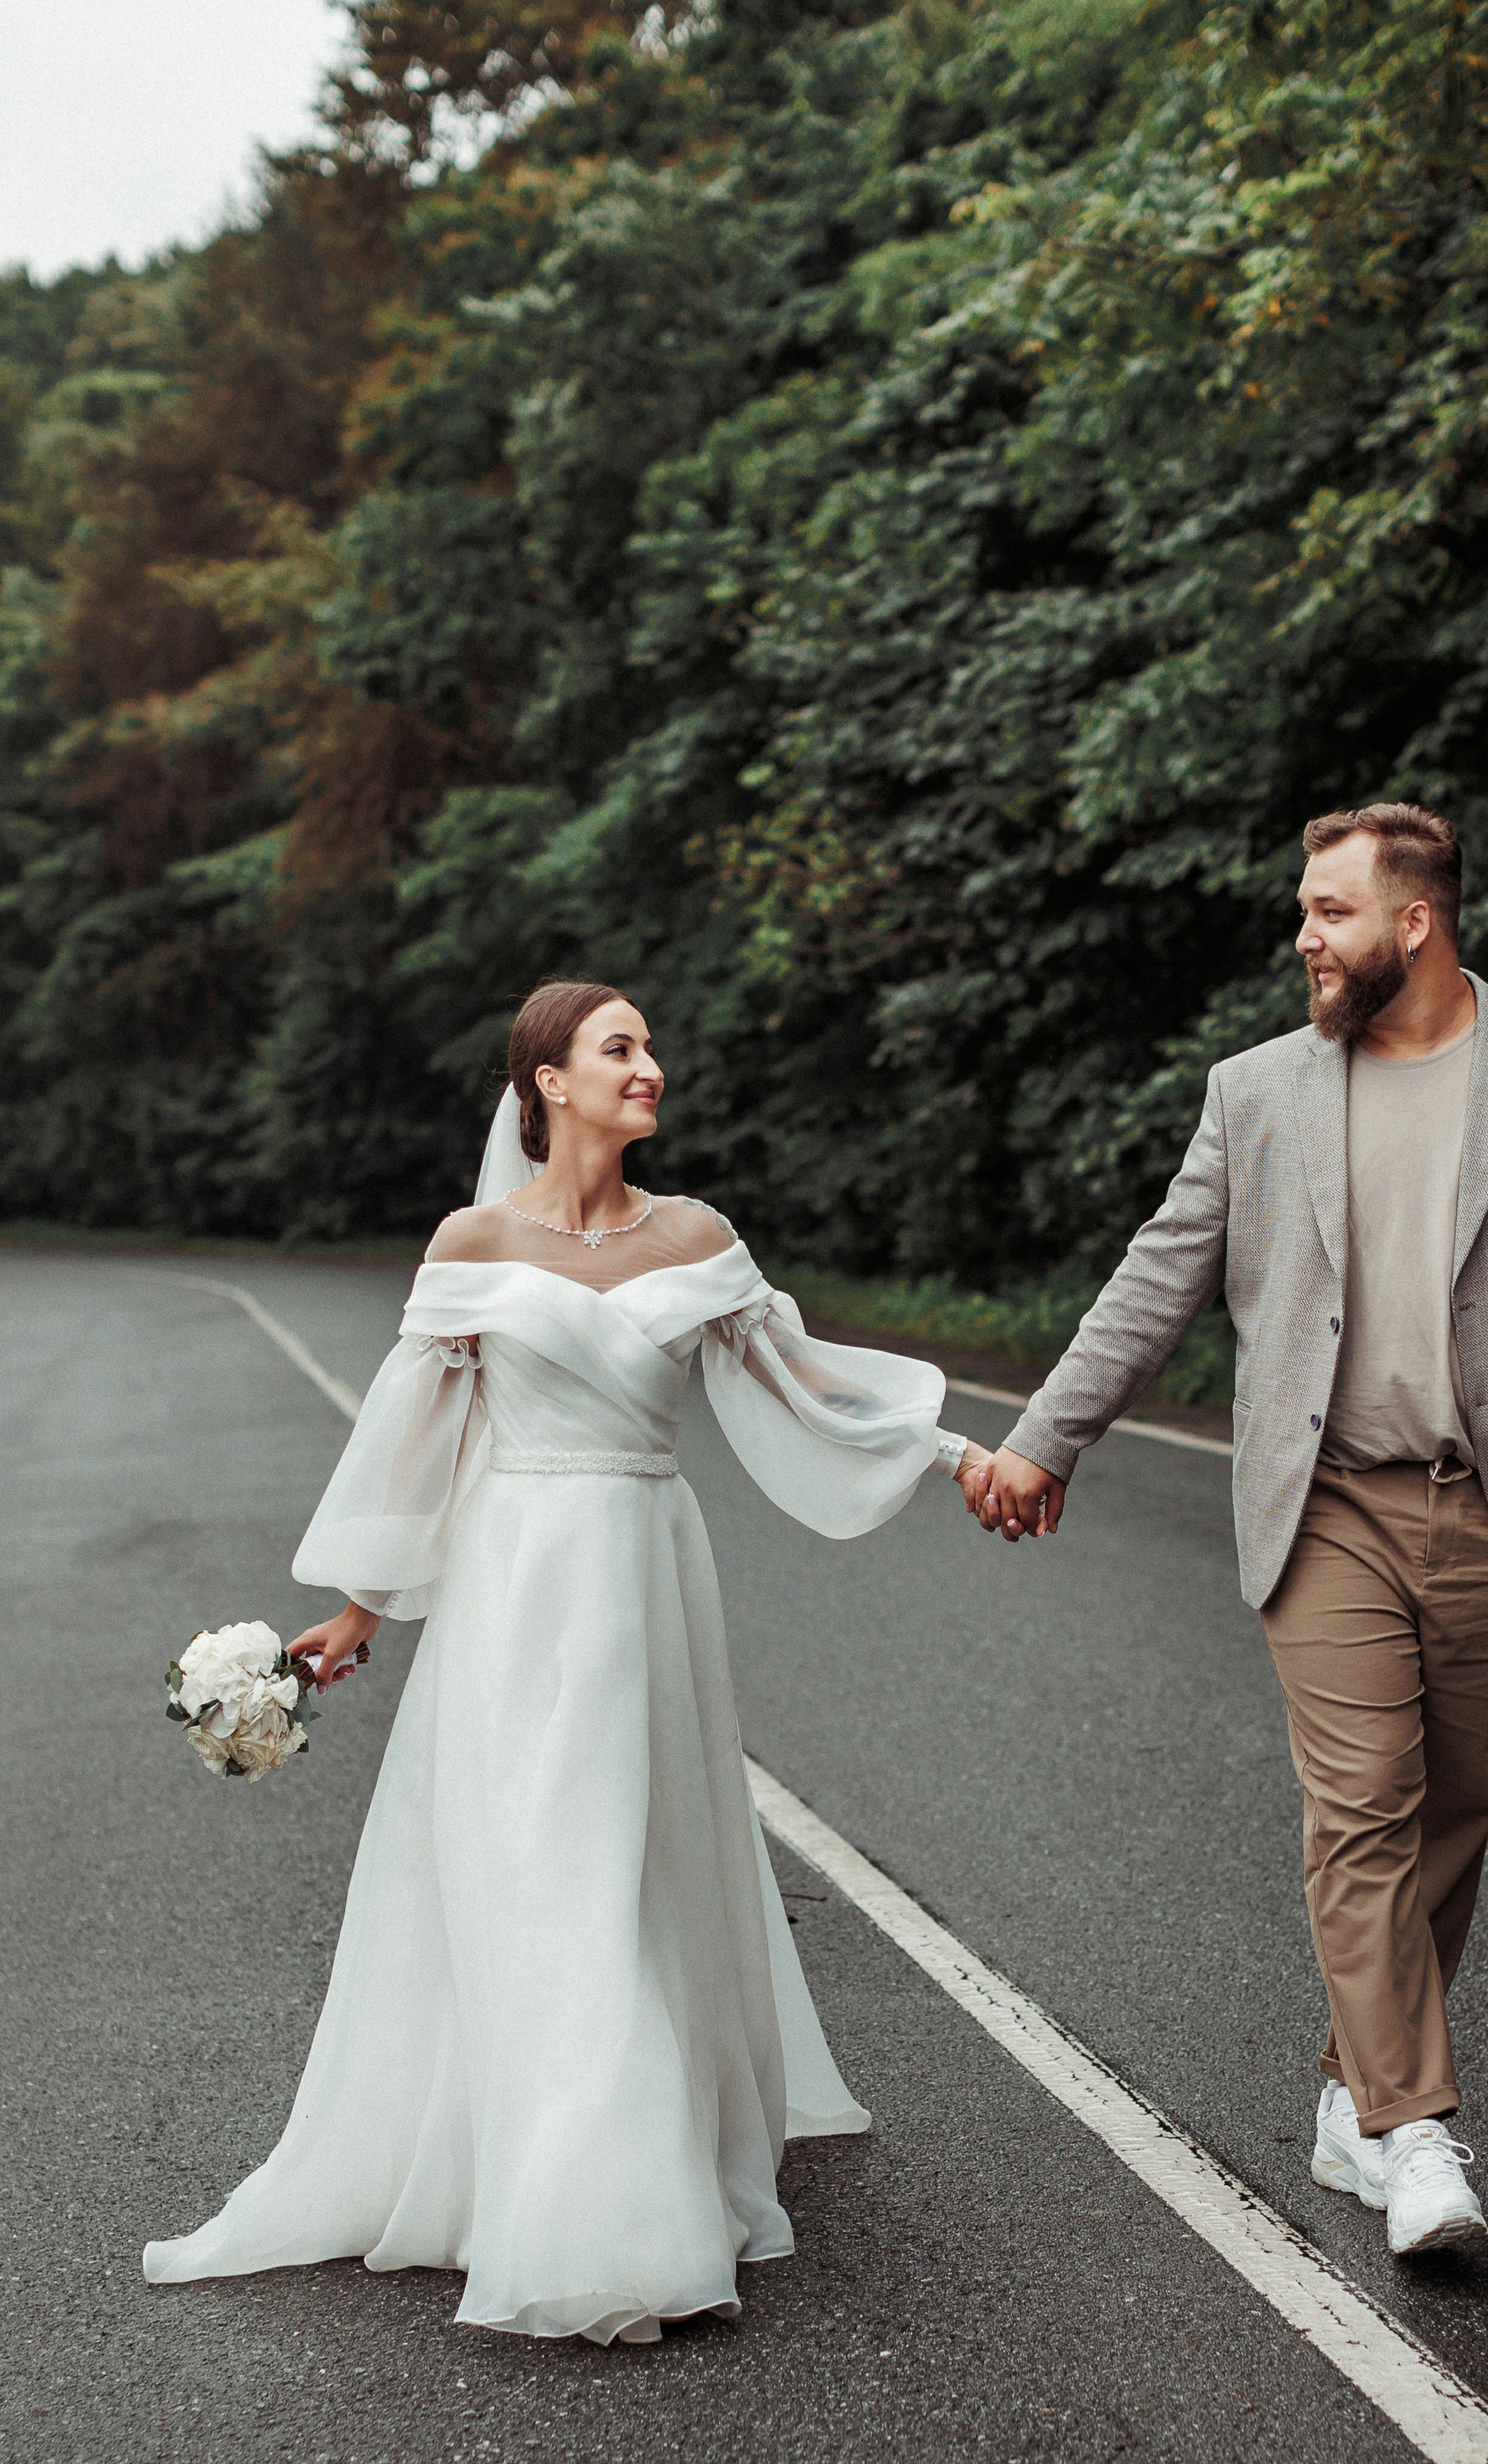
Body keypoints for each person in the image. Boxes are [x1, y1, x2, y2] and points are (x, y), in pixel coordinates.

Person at [146, 980, 988, 2345]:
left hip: (647, 1575)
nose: (651, 1064)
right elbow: (420, 1429)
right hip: (512, 1586)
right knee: (539, 1864)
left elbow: (808, 1388)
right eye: (621, 1047)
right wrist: (361, 1608)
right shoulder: (474, 1242)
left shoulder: (700, 1238)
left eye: (652, 1043)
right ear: (548, 1082)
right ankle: (582, 2206)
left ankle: (621, 2180)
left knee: (625, 1859)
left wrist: (958, 1455)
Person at [965, 803, 1488, 2255]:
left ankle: (1355, 2093)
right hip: (1328, 1497)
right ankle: (1417, 2136)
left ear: (1416, 920)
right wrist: (1045, 1434)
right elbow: (1161, 1275)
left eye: (1330, 910)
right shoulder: (1260, 1090)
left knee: (1453, 1820)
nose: (1305, 935)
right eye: (1304, 907)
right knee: (1362, 1814)